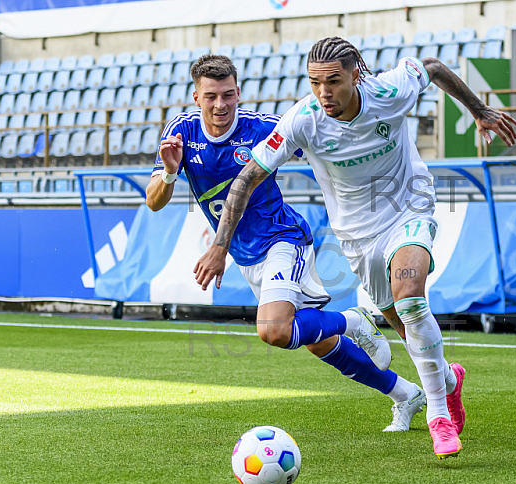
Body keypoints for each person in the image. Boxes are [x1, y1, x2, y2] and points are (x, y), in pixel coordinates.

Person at [195, 38, 516, 458]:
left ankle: (437, 416)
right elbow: (246, 179)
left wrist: (480, 110)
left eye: (333, 81)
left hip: (409, 207)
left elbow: (434, 68)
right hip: (358, 234)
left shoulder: (389, 91)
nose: (323, 93)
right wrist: (220, 245)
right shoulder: (303, 120)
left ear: (355, 75)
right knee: (404, 327)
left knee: (411, 302)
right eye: (315, 83)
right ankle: (449, 381)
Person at [146, 54, 427, 432]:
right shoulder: (180, 133)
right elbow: (154, 201)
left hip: (283, 240)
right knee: (315, 341)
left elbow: (321, 140)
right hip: (246, 256)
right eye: (211, 96)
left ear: (238, 93)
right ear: (196, 98)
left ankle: (353, 321)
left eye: (228, 95)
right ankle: (404, 394)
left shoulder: (261, 127)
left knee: (274, 330)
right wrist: (168, 172)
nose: (220, 105)